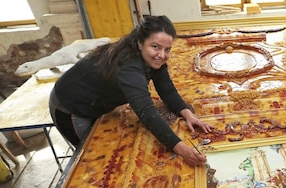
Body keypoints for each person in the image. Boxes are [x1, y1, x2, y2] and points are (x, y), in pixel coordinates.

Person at [48, 15, 211, 166]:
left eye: (167, 49)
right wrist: (182, 149)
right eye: (155, 47)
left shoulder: (150, 57)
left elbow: (166, 89)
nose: (162, 55)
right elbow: (147, 112)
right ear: (140, 43)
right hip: (71, 107)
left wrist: (188, 114)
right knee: (91, 161)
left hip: (96, 100)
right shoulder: (128, 66)